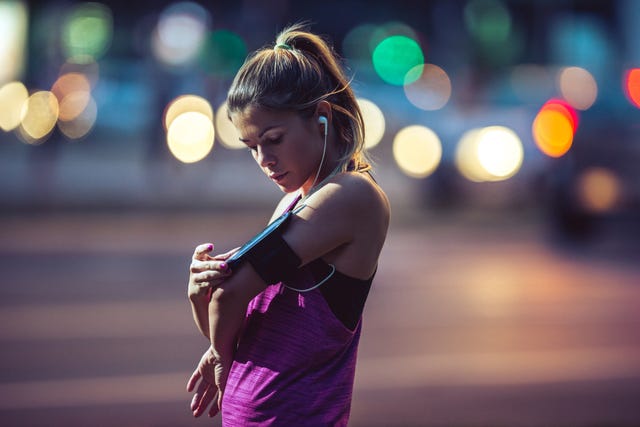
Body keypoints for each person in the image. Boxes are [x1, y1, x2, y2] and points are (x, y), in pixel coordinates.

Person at [185, 23, 390, 426]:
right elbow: (232, 319)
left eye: (274, 139)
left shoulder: (351, 195)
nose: (264, 159)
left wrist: (218, 346)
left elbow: (229, 299)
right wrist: (198, 293)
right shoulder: (293, 204)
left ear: (322, 118)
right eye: (252, 147)